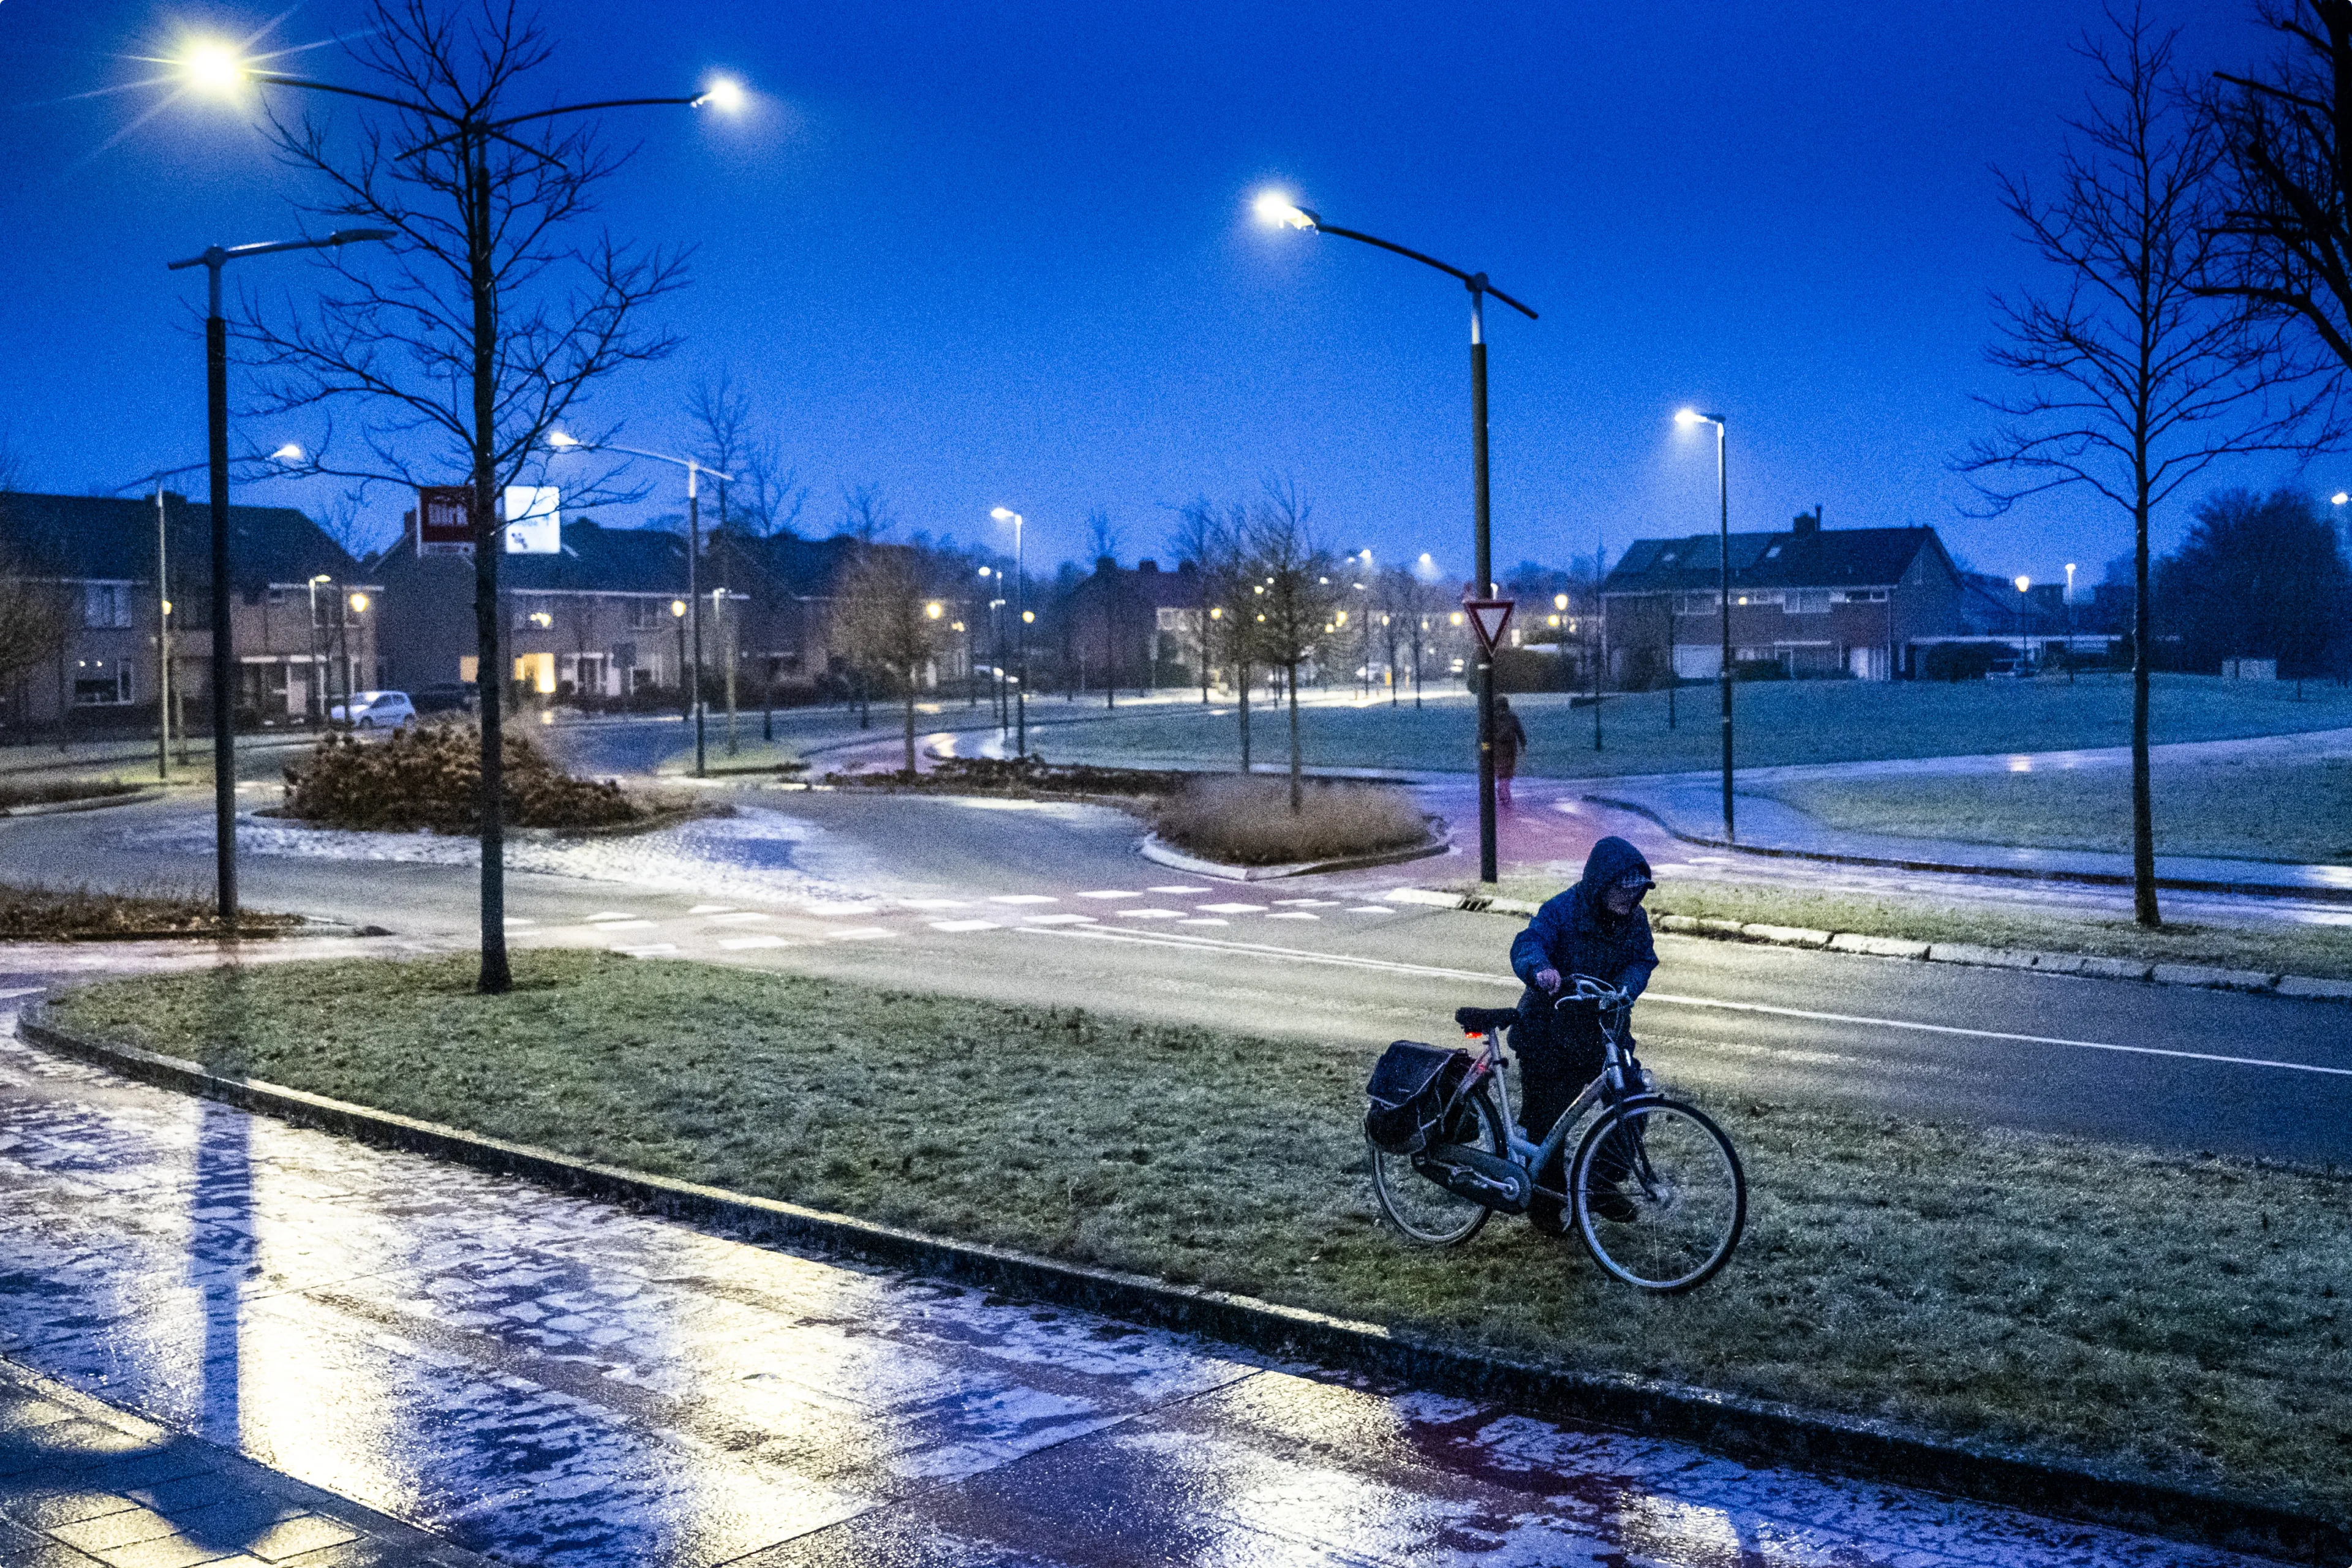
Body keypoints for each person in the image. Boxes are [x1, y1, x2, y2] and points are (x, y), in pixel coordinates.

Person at [1506, 835, 1657, 1233]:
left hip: (1605, 1032)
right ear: (1599, 885)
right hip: (1548, 1032)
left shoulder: (1635, 921)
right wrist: (1540, 969)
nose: (1630, 900)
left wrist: (1625, 987)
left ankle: (1600, 1184)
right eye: (1621, 890)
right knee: (1549, 1124)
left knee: (1634, 1098)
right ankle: (1546, 1203)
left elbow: (1643, 959)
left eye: (1636, 891)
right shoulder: (1562, 910)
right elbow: (1529, 942)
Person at [1492, 695, 1529, 807]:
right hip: (1509, 750)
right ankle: (1505, 794)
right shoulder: (1512, 718)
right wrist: (1523, 745)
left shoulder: (1492, 719)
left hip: (1498, 750)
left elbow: (1484, 736)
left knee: (1502, 773)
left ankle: (1503, 792)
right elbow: (1520, 732)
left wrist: (1484, 750)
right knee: (1506, 773)